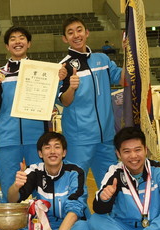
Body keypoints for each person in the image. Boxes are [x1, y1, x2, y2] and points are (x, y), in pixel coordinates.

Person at [0, 26, 67, 202]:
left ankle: (43, 226)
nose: (18, 41)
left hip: (37, 140)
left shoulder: (44, 71)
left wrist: (62, 79)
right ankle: (9, 227)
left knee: (41, 187)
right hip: (8, 139)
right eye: (13, 39)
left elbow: (57, 100)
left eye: (22, 38)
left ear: (29, 43)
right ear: (7, 46)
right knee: (10, 186)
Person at [58, 16, 125, 189]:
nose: (76, 35)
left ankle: (111, 216)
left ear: (87, 33)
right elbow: (64, 102)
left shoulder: (102, 60)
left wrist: (129, 55)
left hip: (106, 136)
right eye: (70, 33)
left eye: (79, 30)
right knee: (76, 186)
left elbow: (124, 78)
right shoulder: (63, 67)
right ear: (65, 38)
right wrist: (71, 88)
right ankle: (78, 217)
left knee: (111, 184)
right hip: (79, 138)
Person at [7, 132, 92, 230]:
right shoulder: (34, 170)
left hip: (69, 226)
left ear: (64, 152)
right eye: (47, 147)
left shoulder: (75, 172)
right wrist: (15, 186)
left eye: (57, 147)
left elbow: (74, 213)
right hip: (43, 228)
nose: (52, 151)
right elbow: (12, 200)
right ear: (40, 153)